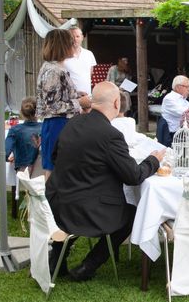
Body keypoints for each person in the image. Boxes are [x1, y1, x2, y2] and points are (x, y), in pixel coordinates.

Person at [46, 82, 164, 281]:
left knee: (115, 206)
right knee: (134, 213)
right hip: (85, 210)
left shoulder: (73, 123)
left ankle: (57, 259)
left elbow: (56, 156)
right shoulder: (110, 135)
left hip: (57, 202)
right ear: (117, 103)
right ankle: (88, 266)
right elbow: (133, 176)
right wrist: (154, 160)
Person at [36, 29, 91, 179]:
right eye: (71, 43)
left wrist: (75, 94)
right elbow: (52, 106)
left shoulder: (56, 67)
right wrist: (80, 102)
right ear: (63, 46)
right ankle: (52, 201)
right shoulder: (53, 70)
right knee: (55, 168)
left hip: (62, 124)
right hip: (57, 125)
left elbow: (58, 95)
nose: (75, 45)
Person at [5, 97, 41, 173]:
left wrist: (9, 158)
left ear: (21, 112)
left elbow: (5, 152)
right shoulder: (45, 127)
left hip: (23, 169)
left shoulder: (15, 130)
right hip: (43, 168)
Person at [63, 26, 96, 96]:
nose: (75, 39)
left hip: (87, 95)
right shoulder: (63, 55)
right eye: (72, 37)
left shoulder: (89, 54)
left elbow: (90, 73)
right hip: (70, 97)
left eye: (77, 36)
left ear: (82, 37)